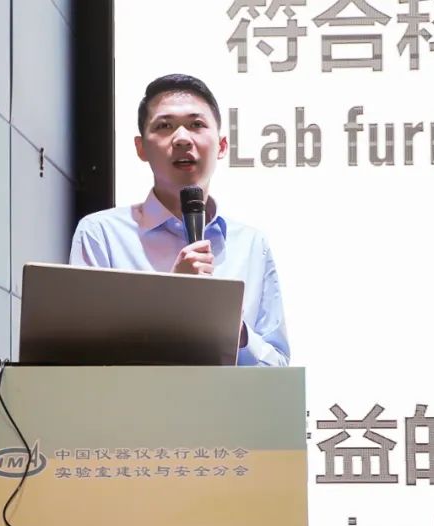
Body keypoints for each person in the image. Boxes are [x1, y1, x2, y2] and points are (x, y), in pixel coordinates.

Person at [68, 74, 291, 367]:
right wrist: (173, 301)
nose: (182, 138)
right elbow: (80, 359)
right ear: (140, 148)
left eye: (196, 124)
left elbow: (278, 368)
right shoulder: (102, 234)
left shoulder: (252, 244)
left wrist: (235, 331)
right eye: (165, 126)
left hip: (227, 398)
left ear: (222, 145)